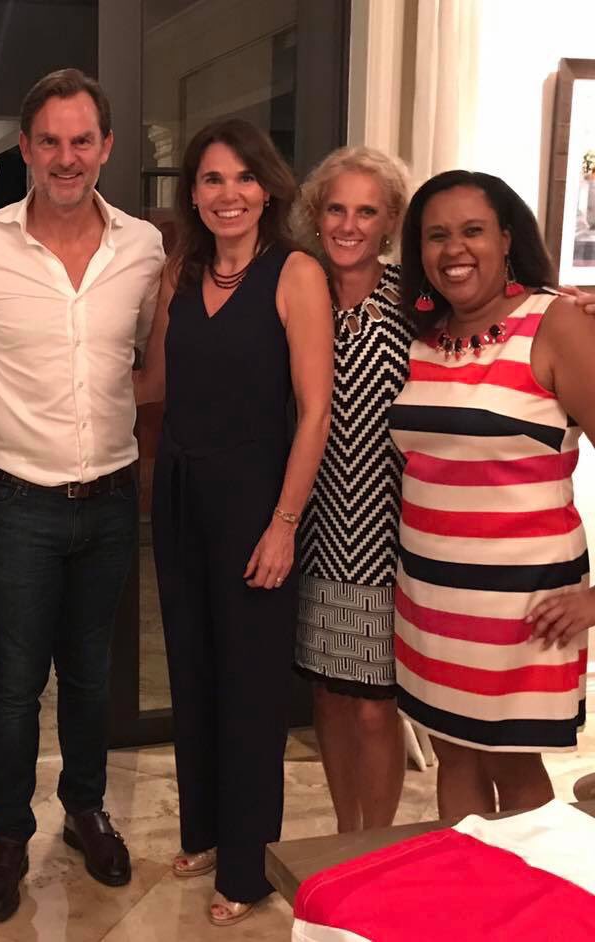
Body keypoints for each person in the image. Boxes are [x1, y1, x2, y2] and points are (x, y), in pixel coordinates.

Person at [0, 69, 164, 923]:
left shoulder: (143, 248)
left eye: (82, 141)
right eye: (50, 141)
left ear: (105, 147)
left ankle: (85, 810)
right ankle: (8, 836)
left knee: (89, 674)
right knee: (13, 681)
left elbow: (150, 354)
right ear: (25, 148)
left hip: (110, 497)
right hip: (21, 502)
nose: (66, 158)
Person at [136, 118, 333, 926]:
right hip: (182, 493)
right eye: (212, 179)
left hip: (258, 502)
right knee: (192, 669)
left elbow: (315, 410)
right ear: (193, 193)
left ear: (269, 188)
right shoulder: (178, 274)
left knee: (250, 686)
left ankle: (249, 867)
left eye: (244, 178)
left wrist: (285, 522)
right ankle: (207, 831)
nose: (229, 194)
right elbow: (153, 384)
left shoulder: (296, 274)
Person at [390, 170, 595, 819]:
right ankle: (463, 886)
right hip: (430, 600)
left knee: (514, 763)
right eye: (436, 235)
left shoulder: (556, 322)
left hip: (526, 608)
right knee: (454, 755)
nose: (455, 249)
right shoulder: (424, 335)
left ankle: (530, 891)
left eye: (473, 230)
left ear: (507, 239)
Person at [288, 147, 413, 833]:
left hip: (392, 532)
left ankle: (378, 843)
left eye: (367, 211)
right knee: (330, 699)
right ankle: (345, 834)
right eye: (336, 209)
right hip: (312, 526)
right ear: (317, 214)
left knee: (375, 706)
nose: (348, 225)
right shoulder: (296, 292)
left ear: (389, 221)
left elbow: (495, 311)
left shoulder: (416, 302)